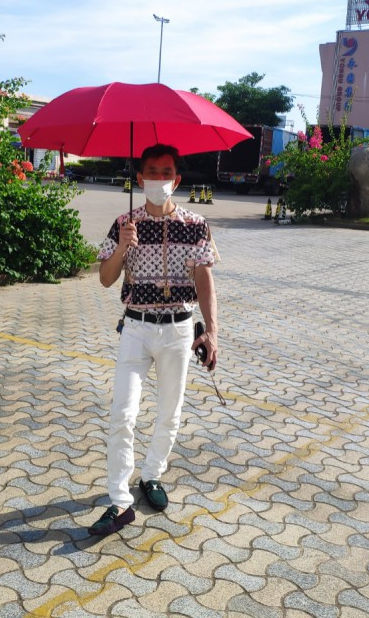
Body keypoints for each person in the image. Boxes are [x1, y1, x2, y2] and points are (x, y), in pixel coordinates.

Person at [88, 144, 218, 536]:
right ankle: (119, 501)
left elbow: (204, 278)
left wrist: (211, 330)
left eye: (166, 173)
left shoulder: (195, 225)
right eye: (151, 172)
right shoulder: (124, 223)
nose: (158, 179)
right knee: (122, 414)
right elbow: (105, 278)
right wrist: (123, 246)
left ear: (176, 180)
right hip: (136, 328)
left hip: (178, 330)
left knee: (169, 412)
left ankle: (151, 475)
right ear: (139, 178)